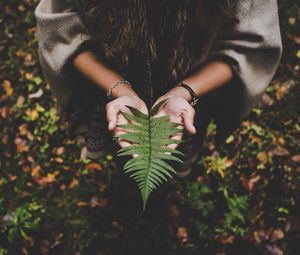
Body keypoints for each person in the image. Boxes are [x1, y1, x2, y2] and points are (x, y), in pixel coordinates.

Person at [34, 0, 282, 177]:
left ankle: (159, 178)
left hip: (194, 85)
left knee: (176, 149)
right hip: (106, 78)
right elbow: (60, 30)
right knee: (120, 142)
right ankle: (131, 177)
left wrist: (184, 91)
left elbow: (249, 43)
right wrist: (121, 90)